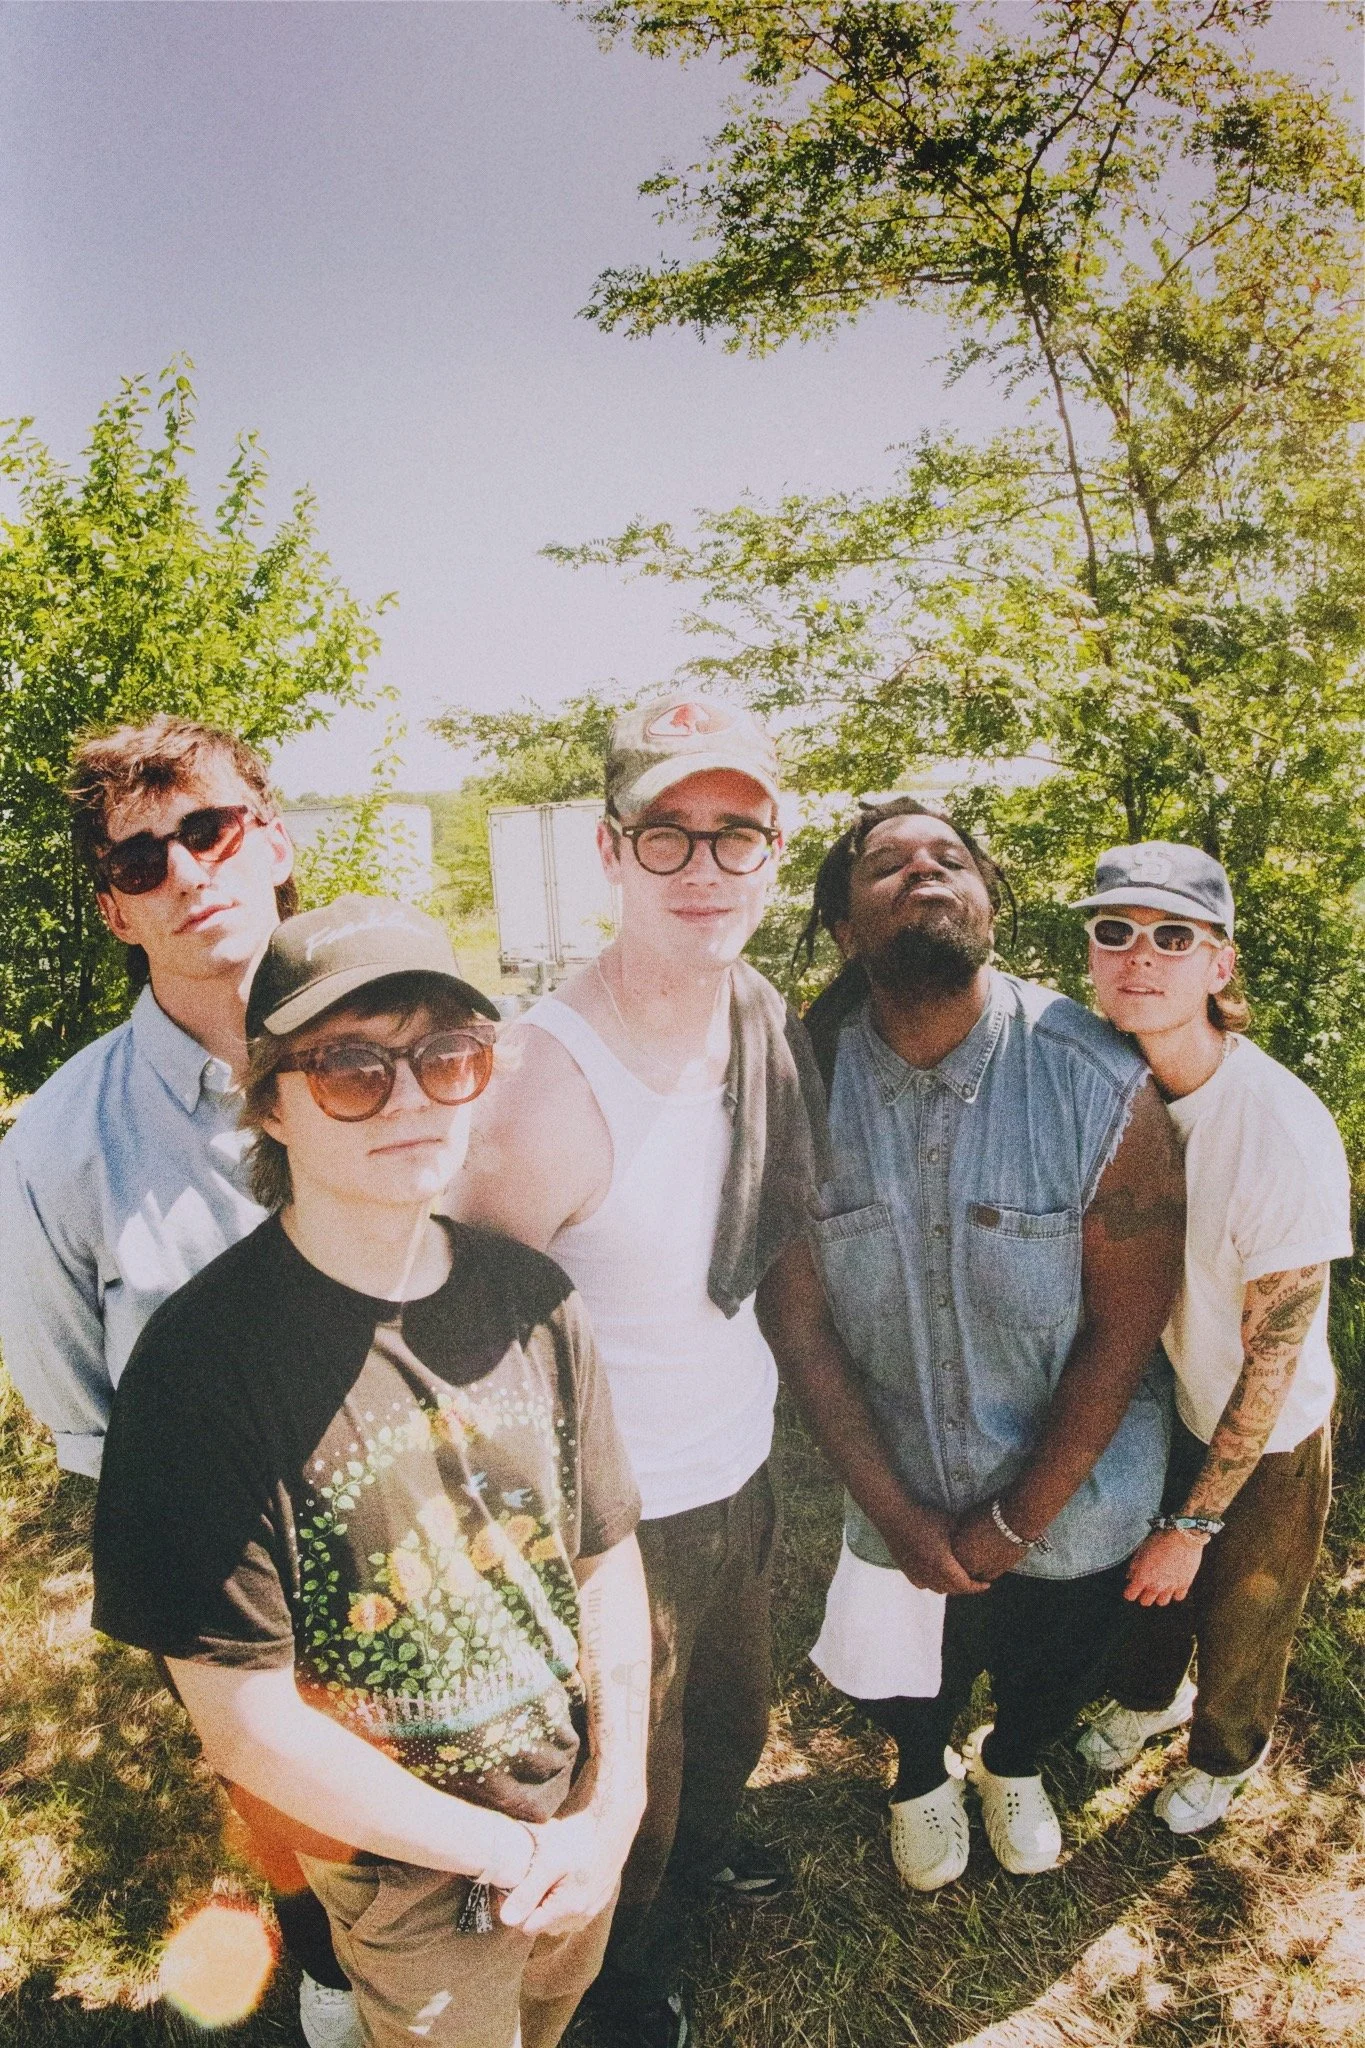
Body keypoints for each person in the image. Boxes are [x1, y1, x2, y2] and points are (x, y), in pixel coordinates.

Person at [91, 896, 651, 2048]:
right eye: (352, 1068)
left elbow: (606, 1558)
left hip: (574, 1814)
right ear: (270, 1100)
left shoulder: (533, 1297)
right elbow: (246, 1723)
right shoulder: (199, 1370)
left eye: (447, 1056)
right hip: (414, 1874)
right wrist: (514, 1852)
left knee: (550, 2011)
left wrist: (616, 1799)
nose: (410, 1098)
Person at [451, 694, 828, 2048]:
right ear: (610, 851)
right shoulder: (540, 1086)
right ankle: (621, 1983)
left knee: (729, 1729)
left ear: (776, 854)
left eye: (738, 834)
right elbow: (469, 1361)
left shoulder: (757, 1016)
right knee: (631, 1778)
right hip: (617, 1516)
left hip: (737, 1466)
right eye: (669, 834)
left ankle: (686, 1884)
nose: (704, 868)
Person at [0, 715, 362, 2046]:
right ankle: (323, 1961)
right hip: (226, 1556)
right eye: (141, 859)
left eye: (209, 829)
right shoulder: (57, 1144)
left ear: (273, 842)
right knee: (279, 1792)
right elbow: (77, 1404)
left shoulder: (397, 1049)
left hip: (423, 1508)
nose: (187, 870)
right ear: (115, 909)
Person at [763, 797, 1185, 1891]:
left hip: (1075, 1487)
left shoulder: (1095, 1080)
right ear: (845, 928)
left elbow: (1125, 1327)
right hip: (895, 1476)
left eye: (949, 857)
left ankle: (1015, 1758)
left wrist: (1017, 1518)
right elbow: (799, 1321)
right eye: (887, 864)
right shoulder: (798, 1093)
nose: (923, 871)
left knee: (1056, 1650)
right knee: (912, 1671)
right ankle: (919, 1770)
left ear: (989, 903)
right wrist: (897, 1513)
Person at [1075, 844, 1352, 1831]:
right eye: (1115, 930)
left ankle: (1226, 1752)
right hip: (1169, 1392)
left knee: (1244, 1610)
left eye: (1173, 935)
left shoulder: (1276, 1126)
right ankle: (1147, 1700)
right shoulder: (1109, 1082)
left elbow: (1275, 1356)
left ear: (1219, 964)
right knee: (1144, 1592)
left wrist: (1194, 1525)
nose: (1140, 955)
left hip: (1268, 1430)